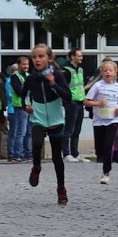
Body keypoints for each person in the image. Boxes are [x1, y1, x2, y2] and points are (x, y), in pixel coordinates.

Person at [22, 44, 72, 205]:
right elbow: (23, 96)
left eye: (41, 56)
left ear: (49, 58)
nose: (37, 60)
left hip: (56, 119)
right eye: (34, 57)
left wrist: (53, 84)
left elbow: (68, 97)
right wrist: (26, 106)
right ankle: (36, 167)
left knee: (57, 158)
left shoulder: (58, 75)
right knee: (36, 143)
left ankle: (61, 189)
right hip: (39, 117)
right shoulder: (30, 78)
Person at [83, 60, 118, 185]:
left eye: (110, 70)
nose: (108, 72)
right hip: (98, 121)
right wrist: (98, 103)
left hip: (113, 120)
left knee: (108, 146)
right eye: (105, 70)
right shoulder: (97, 86)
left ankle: (106, 173)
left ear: (115, 73)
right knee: (100, 149)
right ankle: (103, 159)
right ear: (101, 73)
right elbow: (86, 101)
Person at [62, 47, 87, 163]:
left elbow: (82, 85)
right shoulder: (66, 70)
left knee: (77, 130)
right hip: (71, 103)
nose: (81, 58)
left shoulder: (81, 69)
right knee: (69, 129)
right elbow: (63, 87)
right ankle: (66, 153)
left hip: (80, 102)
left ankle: (75, 153)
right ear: (72, 56)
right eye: (79, 56)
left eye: (81, 56)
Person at [8, 56, 32, 163]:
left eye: (27, 64)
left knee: (28, 132)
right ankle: (16, 155)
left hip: (29, 106)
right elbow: (19, 91)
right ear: (19, 65)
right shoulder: (15, 77)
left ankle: (27, 154)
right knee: (20, 132)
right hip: (20, 106)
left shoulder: (28, 75)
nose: (26, 66)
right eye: (24, 64)